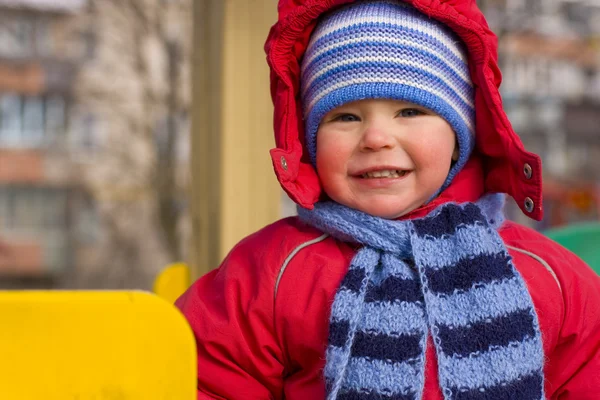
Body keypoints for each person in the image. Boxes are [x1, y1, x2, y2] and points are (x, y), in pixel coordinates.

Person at [176, 1, 600, 399]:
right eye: (345, 116)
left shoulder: (547, 275)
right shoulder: (271, 271)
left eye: (410, 112)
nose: (377, 138)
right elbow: (203, 378)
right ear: (309, 142)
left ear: (459, 136)